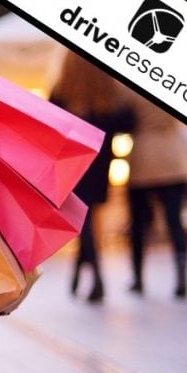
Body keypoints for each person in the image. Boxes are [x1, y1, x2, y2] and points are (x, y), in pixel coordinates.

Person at [49, 52, 134, 302]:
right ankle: (80, 275)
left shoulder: (62, 91)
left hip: (71, 162)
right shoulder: (108, 94)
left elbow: (51, 122)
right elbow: (127, 123)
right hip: (100, 162)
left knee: (81, 219)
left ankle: (96, 277)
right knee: (87, 218)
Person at [125, 94, 187, 299]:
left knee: (139, 224)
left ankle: (138, 277)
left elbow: (124, 119)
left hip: (143, 157)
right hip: (173, 156)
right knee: (175, 222)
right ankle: (182, 275)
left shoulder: (127, 89)